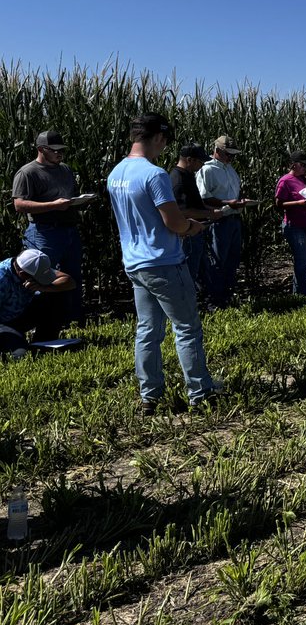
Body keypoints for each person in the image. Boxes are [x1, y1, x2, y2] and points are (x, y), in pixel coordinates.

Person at [106, 113, 219, 411]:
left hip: (135, 263)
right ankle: (200, 392)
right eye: (165, 141)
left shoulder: (116, 173)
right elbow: (174, 222)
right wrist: (192, 227)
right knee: (187, 328)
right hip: (164, 261)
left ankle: (150, 395)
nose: (164, 147)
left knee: (148, 331)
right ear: (158, 137)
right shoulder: (154, 175)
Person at [12, 129, 88, 328]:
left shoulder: (65, 170)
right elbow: (19, 204)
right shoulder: (28, 173)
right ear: (41, 149)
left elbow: (71, 194)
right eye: (54, 150)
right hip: (44, 232)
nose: (59, 153)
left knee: (73, 275)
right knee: (40, 275)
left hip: (69, 229)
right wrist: (53, 205)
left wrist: (79, 201)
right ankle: (39, 323)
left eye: (61, 150)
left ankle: (72, 320)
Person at [196, 135, 248, 308]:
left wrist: (240, 200)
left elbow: (234, 192)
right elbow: (204, 198)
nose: (231, 158)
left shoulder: (230, 169)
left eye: (233, 155)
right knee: (217, 261)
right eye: (228, 154)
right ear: (217, 151)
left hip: (234, 218)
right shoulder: (207, 170)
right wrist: (228, 203)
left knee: (232, 260)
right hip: (218, 221)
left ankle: (226, 297)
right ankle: (214, 301)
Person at [0, 250, 76, 357]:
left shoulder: (28, 266)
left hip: (23, 312)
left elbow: (69, 281)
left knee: (60, 293)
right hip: (4, 323)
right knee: (20, 354)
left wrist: (43, 287)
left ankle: (44, 341)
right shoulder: (2, 279)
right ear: (22, 274)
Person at [170, 143, 226, 289]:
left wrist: (211, 209)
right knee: (188, 273)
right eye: (200, 161)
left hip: (196, 232)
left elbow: (194, 203)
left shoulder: (187, 176)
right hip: (188, 234)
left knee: (200, 272)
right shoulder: (178, 180)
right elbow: (183, 210)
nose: (202, 165)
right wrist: (210, 214)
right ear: (190, 160)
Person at [274, 150, 306, 296]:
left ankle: (299, 292)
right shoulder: (285, 181)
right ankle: (303, 293)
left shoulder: (305, 180)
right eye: (303, 165)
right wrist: (299, 203)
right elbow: (279, 203)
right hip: (295, 225)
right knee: (301, 259)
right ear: (294, 165)